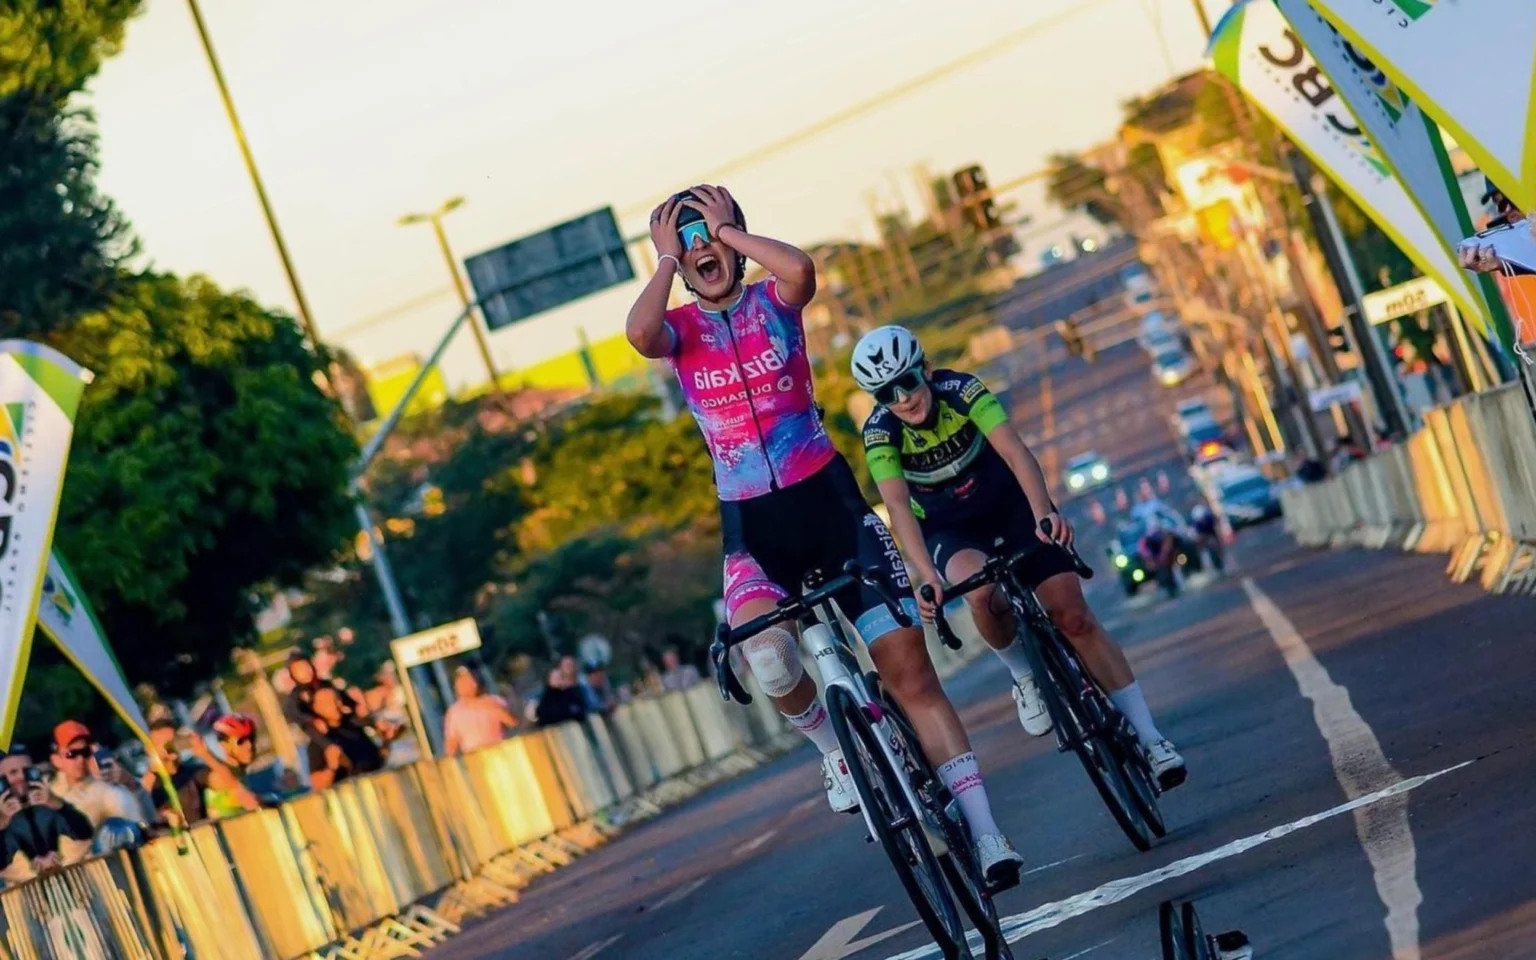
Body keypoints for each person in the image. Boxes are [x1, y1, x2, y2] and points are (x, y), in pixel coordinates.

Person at [627, 186, 1023, 884]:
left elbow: (801, 269)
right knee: (771, 660)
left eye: (710, 237)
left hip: (832, 508)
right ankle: (832, 749)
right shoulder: (680, 332)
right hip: (753, 526)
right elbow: (638, 333)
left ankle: (988, 836)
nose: (701, 250)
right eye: (687, 246)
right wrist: (665, 258)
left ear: (734, 238)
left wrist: (728, 233)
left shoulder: (773, 303)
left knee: (910, 674)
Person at [851, 326, 1187, 796]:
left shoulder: (962, 390)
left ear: (925, 370)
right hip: (951, 529)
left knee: (1073, 616)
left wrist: (1044, 512)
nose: (903, 398)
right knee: (979, 591)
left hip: (1009, 506)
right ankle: (1023, 673)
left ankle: (1152, 739)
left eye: (907, 382)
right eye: (886, 393)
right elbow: (898, 506)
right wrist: (925, 574)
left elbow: (1015, 451)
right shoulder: (880, 432)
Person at [49, 721, 144, 863]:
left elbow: (138, 822)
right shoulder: (48, 794)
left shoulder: (104, 788)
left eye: (85, 752)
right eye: (71, 754)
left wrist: (127, 781)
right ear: (56, 760)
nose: (80, 760)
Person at [0, 747, 93, 883]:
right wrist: (3, 822)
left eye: (26, 771)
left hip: (73, 876)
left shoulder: (53, 797)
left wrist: (55, 804)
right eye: (14, 772)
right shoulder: (5, 818)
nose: (21, 777)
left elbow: (84, 832)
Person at [306, 687, 385, 791]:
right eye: (331, 702)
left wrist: (388, 741)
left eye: (338, 700)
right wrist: (331, 768)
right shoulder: (319, 743)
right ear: (318, 709)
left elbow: (377, 758)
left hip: (375, 785)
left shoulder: (354, 726)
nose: (337, 704)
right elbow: (317, 785)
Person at [142, 719, 213, 827]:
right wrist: (161, 817)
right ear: (150, 749)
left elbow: (231, 783)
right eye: (164, 744)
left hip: (202, 836)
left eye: (173, 741)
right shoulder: (148, 784)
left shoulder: (193, 772)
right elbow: (141, 817)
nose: (171, 747)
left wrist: (205, 754)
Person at [443, 666, 520, 755]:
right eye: (461, 681)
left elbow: (513, 723)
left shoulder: (494, 701)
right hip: (474, 759)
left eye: (468, 680)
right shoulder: (453, 712)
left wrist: (486, 705)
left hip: (500, 753)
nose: (465, 685)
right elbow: (451, 746)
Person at [199, 715, 263, 820]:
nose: (249, 746)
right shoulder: (218, 778)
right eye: (241, 741)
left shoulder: (239, 774)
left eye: (251, 739)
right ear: (224, 745)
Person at [534, 657, 589, 728]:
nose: (558, 681)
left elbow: (581, 710)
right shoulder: (545, 698)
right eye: (555, 678)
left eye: (560, 678)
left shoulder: (572, 693)